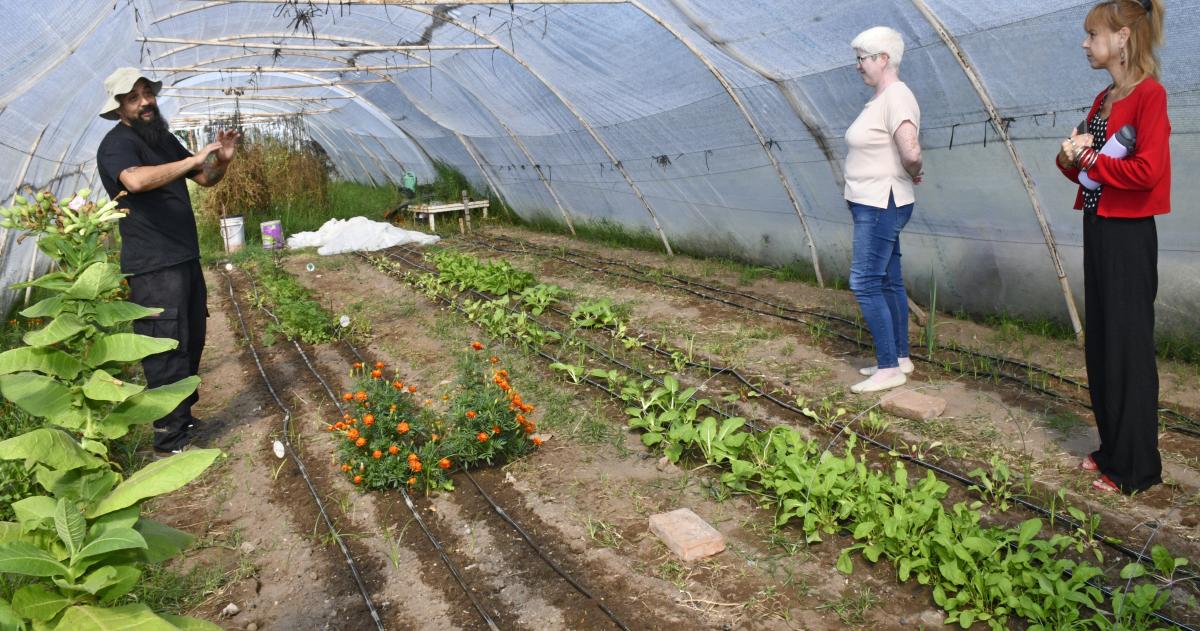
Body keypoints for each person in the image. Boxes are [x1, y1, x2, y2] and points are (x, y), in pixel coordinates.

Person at [95, 68, 242, 456]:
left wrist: (221, 160)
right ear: (119, 108)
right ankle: (168, 440)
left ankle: (183, 420)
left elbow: (204, 178)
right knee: (164, 348)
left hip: (183, 257)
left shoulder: (161, 139)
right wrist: (193, 158)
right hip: (153, 266)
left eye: (147, 93)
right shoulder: (116, 144)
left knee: (191, 339)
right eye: (134, 97)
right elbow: (136, 181)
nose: (145, 101)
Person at [1056, 0, 1168, 494]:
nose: (1085, 44)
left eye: (1093, 34)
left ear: (1122, 38)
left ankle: (1137, 469)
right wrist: (1070, 157)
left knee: (1128, 346)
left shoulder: (1149, 95)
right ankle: (1112, 451)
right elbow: (1091, 170)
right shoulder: (1104, 98)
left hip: (1128, 233)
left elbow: (1147, 171)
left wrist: (1090, 160)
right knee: (1102, 342)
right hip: (1098, 224)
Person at [843, 27, 923, 394]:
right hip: (876, 201)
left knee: (864, 282)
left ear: (883, 59)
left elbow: (911, 151)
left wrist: (914, 169)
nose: (858, 65)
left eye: (862, 58)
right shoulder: (883, 98)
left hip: (880, 203)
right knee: (889, 280)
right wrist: (910, 170)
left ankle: (889, 367)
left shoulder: (897, 96)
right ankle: (900, 357)